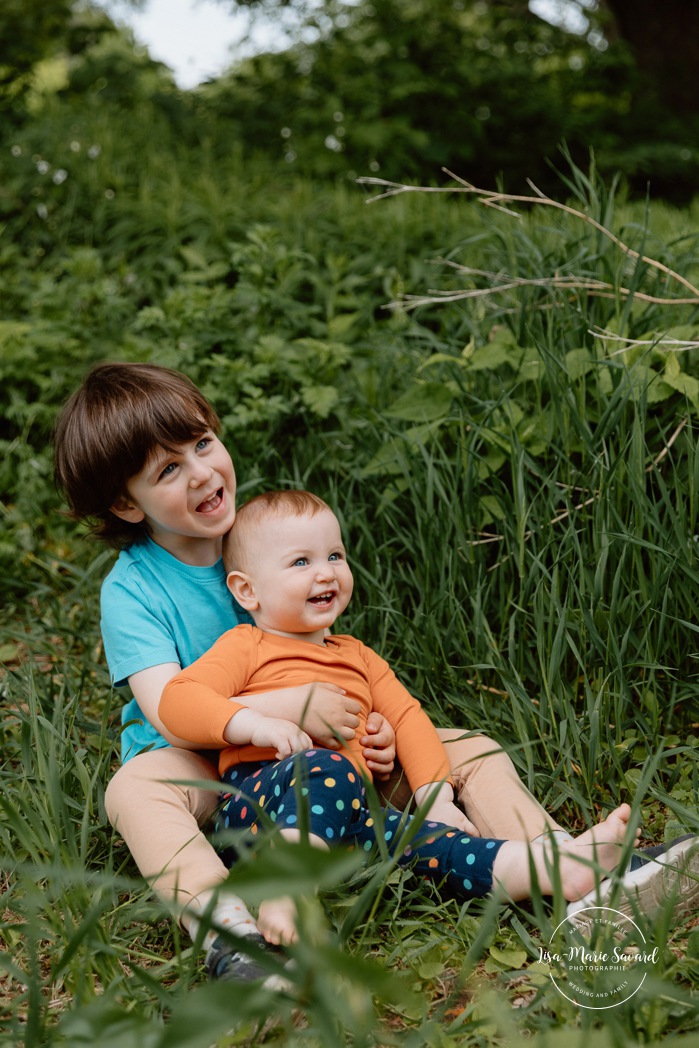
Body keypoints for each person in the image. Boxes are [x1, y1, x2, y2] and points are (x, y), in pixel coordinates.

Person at [53, 363, 696, 981]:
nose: (201, 472)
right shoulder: (134, 590)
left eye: (202, 442)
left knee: (467, 748)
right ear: (127, 504)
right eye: (169, 468)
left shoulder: (266, 536)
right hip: (198, 758)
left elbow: (334, 661)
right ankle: (226, 930)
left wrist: (373, 725)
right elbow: (170, 707)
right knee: (134, 789)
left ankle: (574, 868)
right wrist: (286, 710)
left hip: (322, 753)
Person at [157, 490, 643, 944]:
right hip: (259, 805)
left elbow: (410, 719)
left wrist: (436, 797)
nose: (325, 573)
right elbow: (179, 699)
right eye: (301, 562)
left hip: (350, 815)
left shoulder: (358, 657)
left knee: (438, 843)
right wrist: (255, 725)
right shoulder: (246, 646)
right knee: (328, 768)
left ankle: (556, 869)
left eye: (335, 556)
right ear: (247, 591)